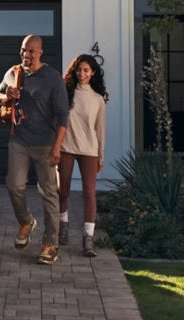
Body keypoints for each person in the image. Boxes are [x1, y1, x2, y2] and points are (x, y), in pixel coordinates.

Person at [0, 35, 69, 265]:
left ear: (40, 52)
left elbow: (63, 116)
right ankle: (26, 221)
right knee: (14, 185)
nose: (26, 55)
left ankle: (50, 244)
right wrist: (6, 96)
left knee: (48, 193)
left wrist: (57, 147)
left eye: (31, 51)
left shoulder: (52, 78)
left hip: (46, 143)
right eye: (24, 50)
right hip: (19, 140)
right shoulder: (13, 73)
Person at [58, 54, 108, 257]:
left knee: (89, 193)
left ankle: (88, 239)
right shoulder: (65, 93)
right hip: (66, 147)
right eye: (79, 70)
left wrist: (100, 156)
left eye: (86, 70)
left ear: (93, 72)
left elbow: (100, 130)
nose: (82, 74)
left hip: (89, 150)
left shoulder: (98, 100)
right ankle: (63, 225)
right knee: (63, 190)